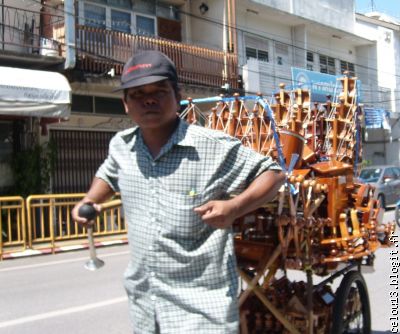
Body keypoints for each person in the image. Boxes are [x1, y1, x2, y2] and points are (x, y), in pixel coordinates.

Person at [72, 50, 285, 333]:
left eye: (159, 91)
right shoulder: (121, 146)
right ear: (125, 103)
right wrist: (90, 200)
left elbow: (273, 174)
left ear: (177, 95)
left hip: (200, 311)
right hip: (145, 305)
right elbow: (109, 174)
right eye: (137, 94)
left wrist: (235, 207)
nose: (149, 99)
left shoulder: (212, 147)